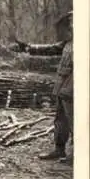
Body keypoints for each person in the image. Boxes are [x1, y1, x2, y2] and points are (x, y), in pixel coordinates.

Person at [38, 11, 73, 163]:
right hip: (62, 87)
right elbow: (49, 48)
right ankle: (59, 149)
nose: (70, 26)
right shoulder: (68, 43)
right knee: (60, 119)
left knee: (75, 121)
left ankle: (78, 155)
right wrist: (27, 47)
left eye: (72, 23)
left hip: (74, 89)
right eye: (69, 23)